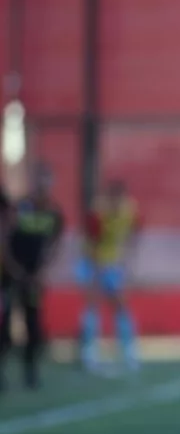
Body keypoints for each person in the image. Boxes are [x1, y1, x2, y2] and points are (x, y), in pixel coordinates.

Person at [0, 165, 64, 392]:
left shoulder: (54, 213)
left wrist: (42, 270)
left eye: (46, 183)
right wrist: (12, 267)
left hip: (34, 279)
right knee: (4, 324)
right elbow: (5, 238)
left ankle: (31, 372)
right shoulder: (20, 208)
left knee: (32, 324)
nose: (42, 188)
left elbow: (56, 244)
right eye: (38, 182)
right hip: (10, 276)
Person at [77, 179, 141, 373]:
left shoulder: (129, 210)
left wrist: (127, 262)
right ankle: (88, 352)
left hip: (112, 263)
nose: (117, 201)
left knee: (120, 304)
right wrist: (96, 269)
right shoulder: (98, 212)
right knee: (93, 303)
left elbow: (133, 234)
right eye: (114, 197)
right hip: (92, 262)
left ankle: (129, 351)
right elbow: (91, 240)